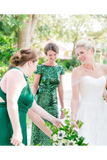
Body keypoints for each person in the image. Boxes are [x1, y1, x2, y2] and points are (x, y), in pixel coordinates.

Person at [0, 48, 62, 148]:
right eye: (35, 65)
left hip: (18, 123)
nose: (35, 69)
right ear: (30, 63)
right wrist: (17, 131)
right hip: (8, 123)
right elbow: (11, 102)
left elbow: (34, 107)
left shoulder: (22, 78)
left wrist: (54, 120)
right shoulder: (16, 73)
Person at [71, 37, 107, 148]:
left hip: (102, 111)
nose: (79, 57)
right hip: (86, 112)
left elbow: (104, 91)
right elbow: (75, 98)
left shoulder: (104, 68)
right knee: (88, 142)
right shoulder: (77, 72)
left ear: (91, 51)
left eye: (82, 53)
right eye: (77, 54)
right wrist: (73, 118)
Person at [31, 43, 65, 148]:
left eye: (55, 54)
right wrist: (30, 101)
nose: (53, 57)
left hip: (53, 103)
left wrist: (63, 107)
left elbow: (60, 88)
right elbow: (35, 86)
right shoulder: (40, 68)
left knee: (53, 128)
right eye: (50, 55)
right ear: (46, 54)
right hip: (40, 101)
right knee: (39, 129)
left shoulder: (60, 68)